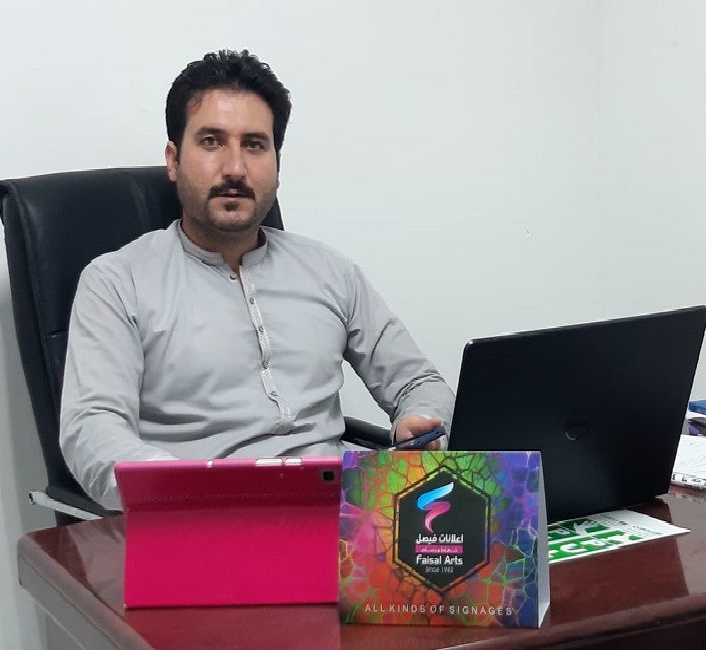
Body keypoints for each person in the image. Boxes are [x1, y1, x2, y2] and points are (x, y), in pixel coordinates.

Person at [59, 49, 454, 511]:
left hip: (340, 517)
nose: (234, 168)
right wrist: (177, 489)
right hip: (200, 518)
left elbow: (417, 380)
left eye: (254, 144)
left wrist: (420, 420)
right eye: (211, 141)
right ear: (174, 159)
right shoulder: (116, 283)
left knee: (493, 544)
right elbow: (92, 428)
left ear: (276, 162)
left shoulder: (330, 271)